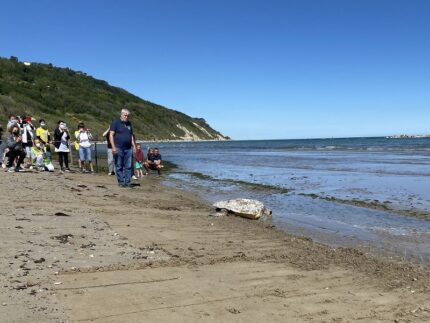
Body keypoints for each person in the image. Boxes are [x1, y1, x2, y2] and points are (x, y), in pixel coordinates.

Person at [109, 109, 136, 187]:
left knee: (128, 166)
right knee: (119, 165)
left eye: (128, 115)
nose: (126, 117)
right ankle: (121, 182)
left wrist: (134, 146)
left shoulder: (129, 123)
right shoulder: (115, 123)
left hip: (128, 148)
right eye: (125, 115)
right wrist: (113, 147)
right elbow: (111, 135)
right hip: (118, 147)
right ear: (121, 114)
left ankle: (128, 182)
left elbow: (131, 136)